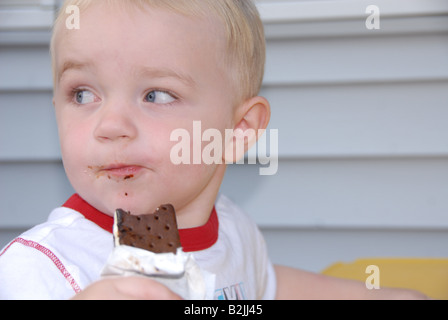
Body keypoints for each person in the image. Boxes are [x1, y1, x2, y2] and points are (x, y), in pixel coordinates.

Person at [0, 0, 429, 300]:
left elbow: (264, 288)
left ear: (239, 130)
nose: (110, 125)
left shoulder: (234, 232)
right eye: (82, 94)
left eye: (156, 95)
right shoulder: (39, 268)